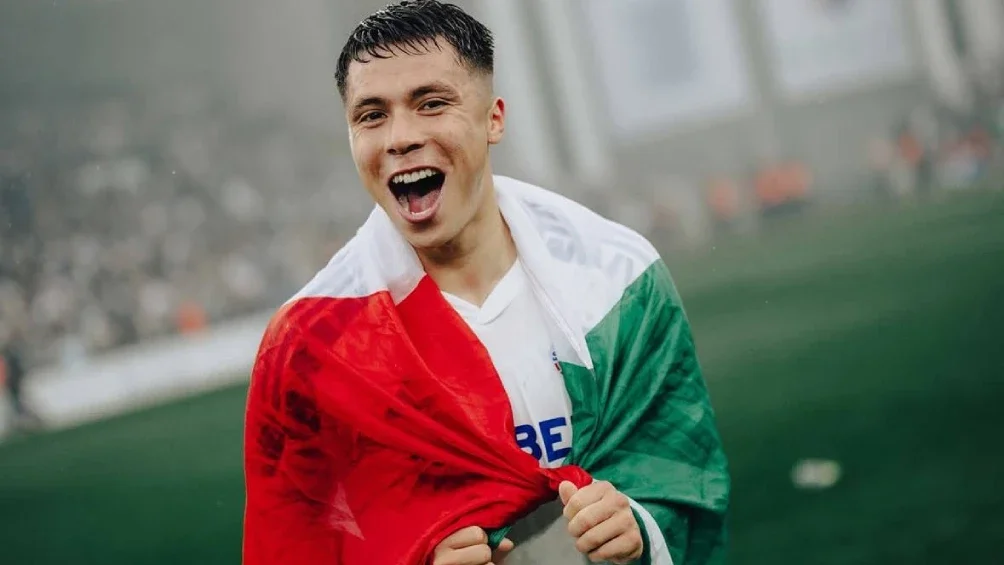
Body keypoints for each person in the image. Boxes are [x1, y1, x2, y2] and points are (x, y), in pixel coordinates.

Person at [243, 2, 728, 564]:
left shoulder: (618, 278)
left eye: (431, 104)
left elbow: (680, 469)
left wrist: (639, 527)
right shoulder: (310, 346)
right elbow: (298, 541)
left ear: (493, 119)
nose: (400, 137)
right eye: (371, 115)